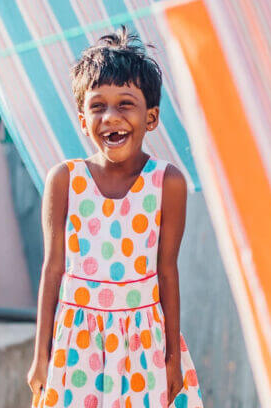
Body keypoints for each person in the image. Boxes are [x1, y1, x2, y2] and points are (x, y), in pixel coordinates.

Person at [26, 27, 203, 408]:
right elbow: (52, 270)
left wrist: (171, 359)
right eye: (97, 106)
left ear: (151, 116)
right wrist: (41, 356)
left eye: (126, 104)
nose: (111, 117)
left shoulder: (166, 183)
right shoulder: (64, 179)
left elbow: (167, 272)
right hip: (78, 343)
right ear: (81, 118)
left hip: (143, 344)